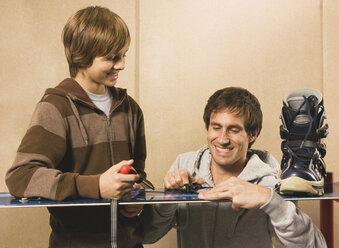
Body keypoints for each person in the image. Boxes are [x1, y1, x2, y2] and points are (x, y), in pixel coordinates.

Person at [6, 6, 148, 248]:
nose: (122, 64)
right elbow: (21, 177)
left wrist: (136, 196)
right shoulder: (55, 108)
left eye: (124, 55)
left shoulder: (130, 109)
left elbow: (139, 177)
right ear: (82, 56)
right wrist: (96, 187)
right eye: (112, 57)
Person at [141, 87, 326, 248]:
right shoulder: (185, 165)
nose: (222, 139)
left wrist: (269, 200)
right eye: (216, 127)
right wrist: (167, 201)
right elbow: (147, 236)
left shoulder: (269, 181)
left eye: (234, 130)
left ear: (252, 134)